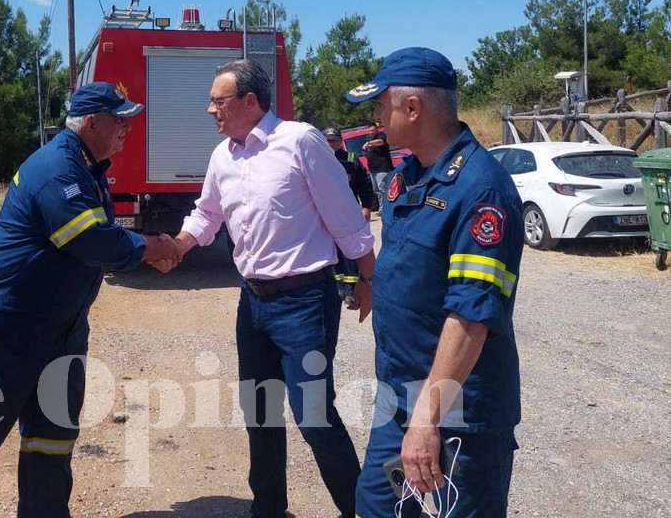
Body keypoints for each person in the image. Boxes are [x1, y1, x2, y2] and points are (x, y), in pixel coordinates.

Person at [0, 83, 181, 518]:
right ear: (91, 122)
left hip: (59, 332)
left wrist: (143, 249)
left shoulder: (86, 166)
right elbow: (91, 240)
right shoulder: (58, 169)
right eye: (120, 120)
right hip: (7, 331)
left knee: (52, 440)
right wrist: (150, 247)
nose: (127, 129)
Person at [173, 59, 375, 518]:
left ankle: (361, 510)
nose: (210, 110)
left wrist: (366, 278)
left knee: (314, 416)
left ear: (249, 101)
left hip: (305, 301)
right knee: (260, 412)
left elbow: (346, 217)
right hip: (253, 303)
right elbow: (207, 215)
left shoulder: (300, 141)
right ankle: (268, 509)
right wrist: (176, 247)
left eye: (217, 101)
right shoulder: (223, 156)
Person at [345, 47, 523, 518]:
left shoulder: (481, 189)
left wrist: (428, 417)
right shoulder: (408, 177)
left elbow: (472, 315)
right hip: (398, 396)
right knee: (375, 507)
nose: (374, 118)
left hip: (455, 406)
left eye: (379, 105)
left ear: (412, 107)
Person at [323, 126, 376, 310]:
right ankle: (339, 287)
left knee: (351, 252)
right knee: (334, 252)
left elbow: (365, 184)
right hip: (328, 214)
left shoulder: (351, 159)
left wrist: (366, 206)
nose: (331, 144)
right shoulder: (319, 159)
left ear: (340, 141)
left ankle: (351, 290)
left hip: (349, 213)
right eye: (328, 141)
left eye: (334, 140)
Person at [363, 120, 394, 208]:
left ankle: (386, 208)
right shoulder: (369, 138)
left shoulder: (382, 136)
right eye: (369, 131)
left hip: (382, 168)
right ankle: (382, 208)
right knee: (376, 190)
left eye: (372, 130)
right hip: (373, 169)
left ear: (377, 129)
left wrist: (369, 143)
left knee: (383, 189)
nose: (371, 132)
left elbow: (381, 142)